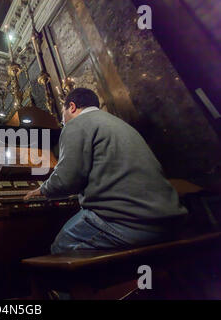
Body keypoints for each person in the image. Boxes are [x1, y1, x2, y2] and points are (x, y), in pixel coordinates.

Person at [24, 88, 188, 254]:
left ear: (72, 107)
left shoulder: (76, 124)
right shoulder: (119, 123)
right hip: (171, 217)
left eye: (63, 114)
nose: (63, 121)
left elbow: (66, 181)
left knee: (60, 248)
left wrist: (43, 189)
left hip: (130, 223)